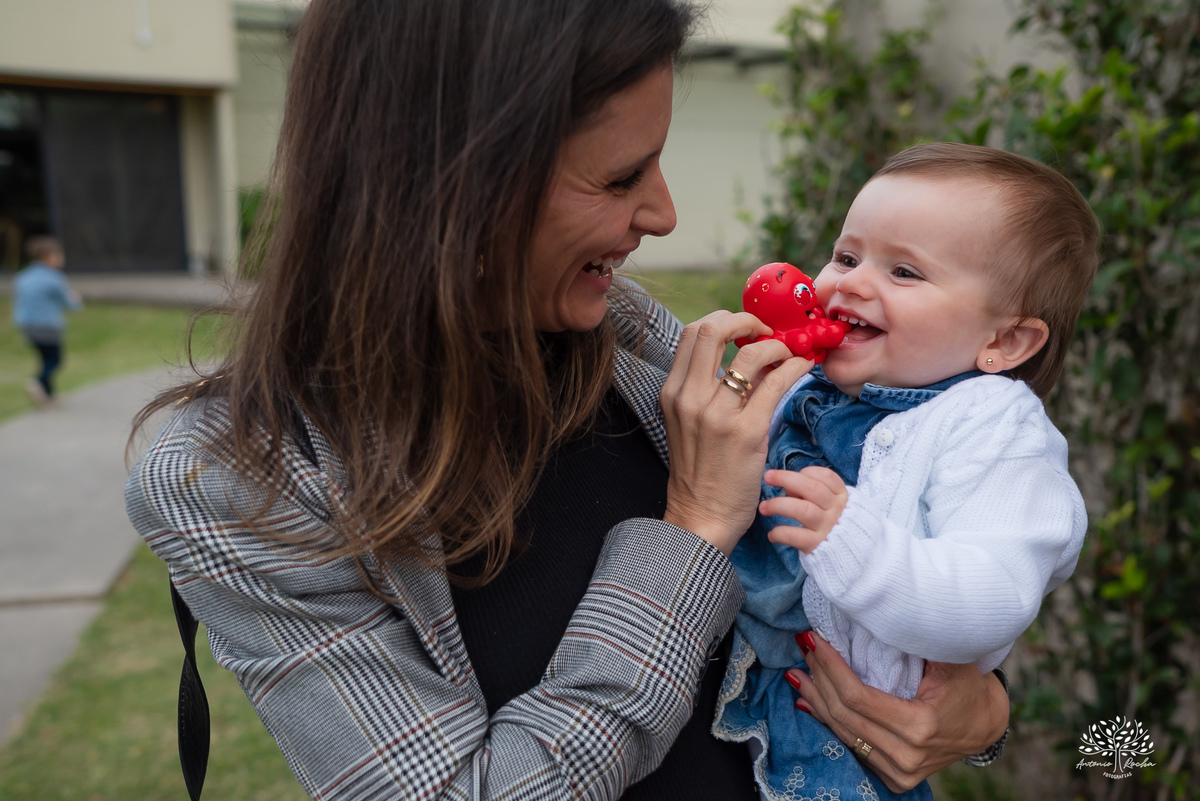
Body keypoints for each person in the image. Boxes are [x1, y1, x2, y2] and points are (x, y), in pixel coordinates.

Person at [125, 2, 1010, 798]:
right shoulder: (238, 485)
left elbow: (889, 544)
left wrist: (974, 708)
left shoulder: (621, 333)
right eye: (621, 179)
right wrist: (691, 530)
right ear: (452, 184)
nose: (662, 213)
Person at [712, 142, 1099, 800]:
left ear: (1004, 341)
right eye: (846, 255)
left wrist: (856, 543)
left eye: (905, 272)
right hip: (750, 675)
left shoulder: (996, 433)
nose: (850, 283)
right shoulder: (820, 385)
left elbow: (993, 595)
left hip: (841, 742)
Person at [12, 235, 82, 406]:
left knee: (45, 359)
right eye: (58, 254)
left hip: (27, 325)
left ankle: (49, 396)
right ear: (48, 256)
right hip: (48, 326)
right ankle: (37, 383)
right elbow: (71, 304)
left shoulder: (23, 276)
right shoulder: (54, 278)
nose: (61, 258)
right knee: (55, 360)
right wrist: (76, 299)